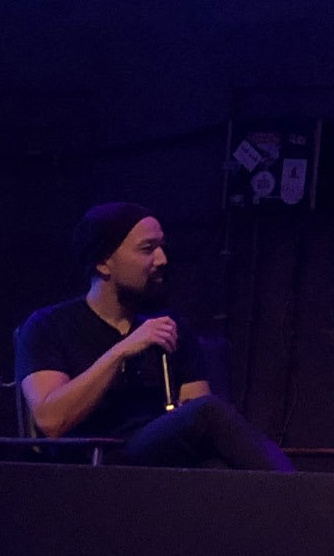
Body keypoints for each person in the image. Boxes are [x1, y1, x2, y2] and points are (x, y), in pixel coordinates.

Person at [14, 202, 288, 471]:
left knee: (217, 467)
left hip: (156, 456)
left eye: (161, 247)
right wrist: (121, 351)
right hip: (94, 459)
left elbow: (194, 407)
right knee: (207, 412)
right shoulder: (48, 326)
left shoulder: (169, 325)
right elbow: (51, 421)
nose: (162, 259)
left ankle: (293, 493)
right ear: (103, 263)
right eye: (147, 249)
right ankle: (296, 489)